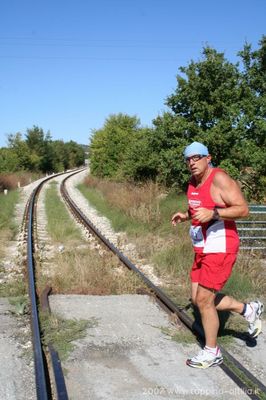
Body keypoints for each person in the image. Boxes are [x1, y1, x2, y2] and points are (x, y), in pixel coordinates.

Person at [171, 141, 264, 369]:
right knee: (198, 299)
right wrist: (185, 215)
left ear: (208, 157)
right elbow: (196, 208)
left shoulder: (219, 178)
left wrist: (214, 213)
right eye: (188, 159)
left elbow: (243, 209)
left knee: (203, 300)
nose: (192, 162)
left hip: (221, 245)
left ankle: (212, 352)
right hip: (202, 247)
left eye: (196, 157)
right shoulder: (192, 183)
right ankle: (247, 309)